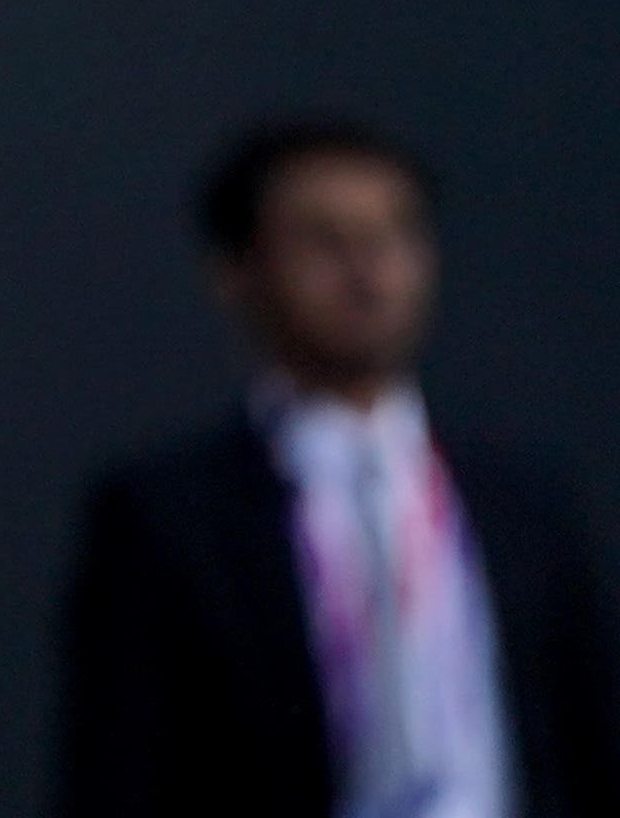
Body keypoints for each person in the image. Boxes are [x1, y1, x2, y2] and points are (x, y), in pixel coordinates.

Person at [54, 117, 620, 818]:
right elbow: (121, 769)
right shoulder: (167, 514)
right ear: (238, 271)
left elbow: (588, 735)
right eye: (324, 240)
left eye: (395, 233)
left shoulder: (523, 497)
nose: (369, 268)